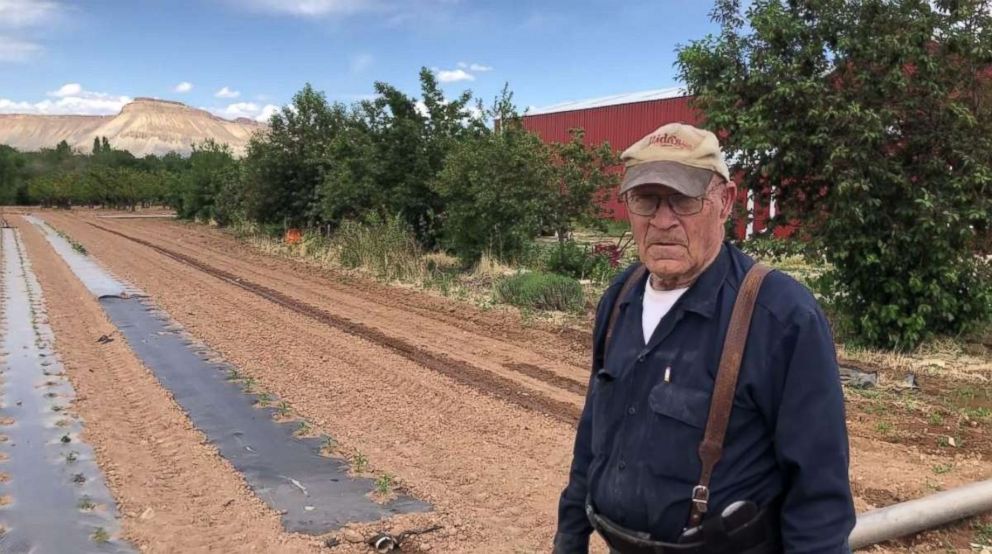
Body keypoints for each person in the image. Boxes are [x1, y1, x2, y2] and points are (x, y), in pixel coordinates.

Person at [553, 123, 856, 553]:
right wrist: (569, 537)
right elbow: (592, 436)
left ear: (725, 201)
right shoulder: (619, 298)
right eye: (646, 200)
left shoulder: (781, 316)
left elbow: (818, 493)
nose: (662, 220)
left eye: (683, 199)